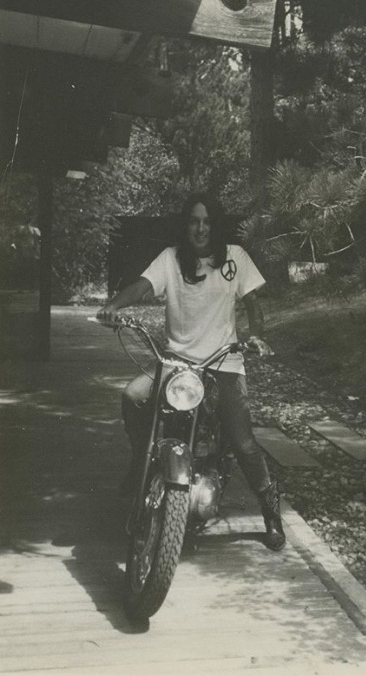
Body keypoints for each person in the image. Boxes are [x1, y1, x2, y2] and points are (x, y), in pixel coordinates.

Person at [98, 192, 286, 551]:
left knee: (243, 440)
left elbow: (253, 305)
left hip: (223, 363)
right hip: (177, 364)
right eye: (193, 221)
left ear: (215, 225)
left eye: (207, 221)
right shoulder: (171, 259)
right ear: (185, 226)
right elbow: (142, 285)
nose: (200, 228)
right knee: (133, 396)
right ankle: (142, 463)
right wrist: (113, 305)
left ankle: (269, 510)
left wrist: (256, 336)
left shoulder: (235, 258)